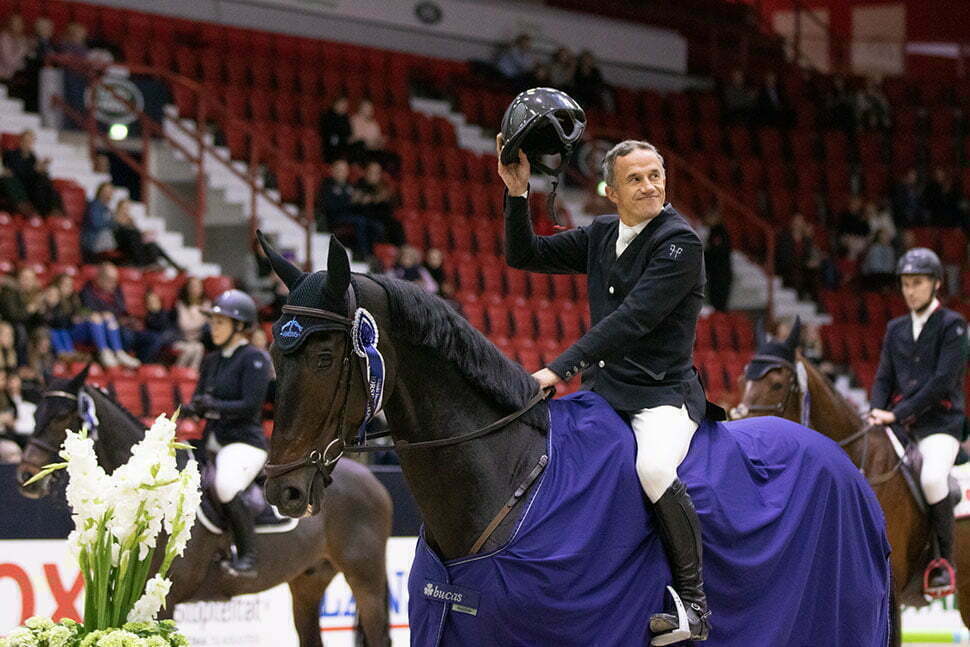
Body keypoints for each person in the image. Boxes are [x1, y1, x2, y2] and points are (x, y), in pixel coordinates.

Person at [498, 136, 712, 643]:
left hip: (661, 396)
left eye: (655, 175)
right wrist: (515, 193)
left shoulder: (681, 244)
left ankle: (695, 606)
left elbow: (632, 321)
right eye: (635, 179)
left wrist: (559, 368)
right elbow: (523, 254)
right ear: (610, 191)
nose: (649, 186)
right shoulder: (602, 234)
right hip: (606, 391)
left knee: (653, 467)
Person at [868, 248, 968, 598]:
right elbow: (883, 378)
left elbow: (942, 382)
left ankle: (944, 563)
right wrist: (874, 411)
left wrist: (896, 413)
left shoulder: (953, 326)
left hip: (940, 426)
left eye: (918, 283)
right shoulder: (896, 329)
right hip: (900, 427)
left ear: (936, 284)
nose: (910, 291)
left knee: (931, 476)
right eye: (906, 284)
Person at [186, 289, 271, 577]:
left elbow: (250, 405)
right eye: (213, 322)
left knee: (225, 485)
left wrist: (214, 406)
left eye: (221, 322)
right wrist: (194, 408)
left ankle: (248, 556)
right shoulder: (211, 360)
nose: (214, 327)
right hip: (211, 441)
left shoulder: (255, 359)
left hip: (244, 443)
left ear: (240, 326)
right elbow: (202, 397)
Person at [78, 262, 141, 368]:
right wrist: (103, 314)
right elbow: (86, 310)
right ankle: (104, 352)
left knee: (114, 321)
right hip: (90, 328)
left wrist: (109, 315)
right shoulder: (87, 290)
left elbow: (121, 310)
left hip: (114, 324)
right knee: (99, 319)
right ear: (100, 277)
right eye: (110, 279)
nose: (113, 283)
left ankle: (118, 352)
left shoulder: (116, 290)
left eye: (114, 280)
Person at [2, 129, 61, 216]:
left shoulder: (32, 157)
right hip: (18, 186)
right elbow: (15, 172)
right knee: (9, 180)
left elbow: (33, 174)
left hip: (31, 186)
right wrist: (34, 170)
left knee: (45, 179)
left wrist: (42, 168)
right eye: (26, 141)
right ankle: (27, 208)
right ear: (20, 141)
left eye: (31, 141)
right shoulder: (10, 154)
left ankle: (54, 211)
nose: (28, 144)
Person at [113, 198, 183, 270]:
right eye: (124, 208)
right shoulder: (115, 218)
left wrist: (144, 232)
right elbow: (120, 234)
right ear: (119, 207)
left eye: (128, 208)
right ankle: (142, 263)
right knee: (134, 236)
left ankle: (172, 264)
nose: (126, 210)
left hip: (135, 242)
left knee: (153, 245)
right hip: (125, 244)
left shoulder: (130, 219)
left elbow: (137, 232)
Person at [173, 277, 209, 370]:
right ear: (187, 288)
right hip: (180, 339)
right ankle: (178, 373)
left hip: (197, 341)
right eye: (192, 286)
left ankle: (192, 376)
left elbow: (210, 325)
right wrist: (202, 324)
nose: (195, 289)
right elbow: (185, 326)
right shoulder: (180, 305)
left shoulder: (206, 304)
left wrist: (201, 324)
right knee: (189, 350)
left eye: (198, 287)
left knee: (199, 348)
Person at [81, 182, 116, 260]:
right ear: (100, 192)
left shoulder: (107, 209)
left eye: (110, 192)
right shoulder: (95, 206)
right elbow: (96, 224)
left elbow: (113, 224)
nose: (108, 195)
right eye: (106, 192)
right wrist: (111, 223)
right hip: (94, 239)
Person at [319, 95, 352, 162]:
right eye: (342, 104)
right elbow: (327, 132)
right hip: (331, 144)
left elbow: (349, 132)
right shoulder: (327, 116)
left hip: (343, 142)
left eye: (346, 105)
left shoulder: (345, 118)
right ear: (336, 104)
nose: (344, 107)